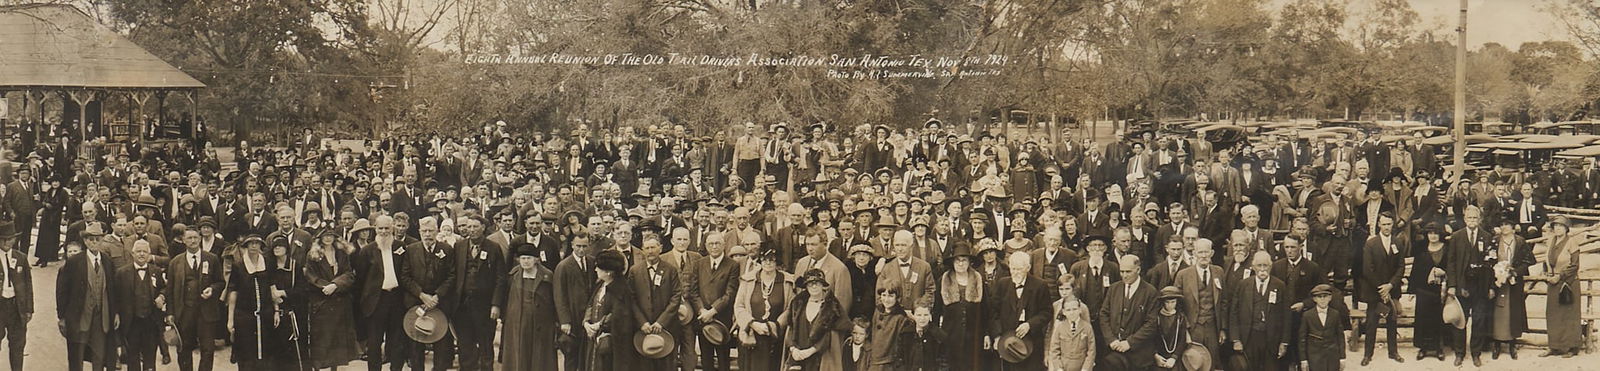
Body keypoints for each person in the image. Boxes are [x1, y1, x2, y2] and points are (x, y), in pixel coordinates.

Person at [447, 215, 506, 371]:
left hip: (485, 307)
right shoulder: (459, 247)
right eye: (469, 226)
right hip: (462, 306)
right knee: (465, 345)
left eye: (475, 227)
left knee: (486, 345)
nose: (471, 230)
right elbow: (453, 275)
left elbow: (501, 279)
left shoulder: (493, 248)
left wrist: (496, 304)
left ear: (483, 228)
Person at [398, 216, 456, 370]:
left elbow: (452, 276)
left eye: (431, 231)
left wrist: (437, 296)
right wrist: (422, 295)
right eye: (424, 231)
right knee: (416, 344)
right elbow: (405, 276)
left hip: (440, 303)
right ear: (419, 232)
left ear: (437, 231)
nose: (428, 234)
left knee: (441, 344)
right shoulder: (411, 250)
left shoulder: (447, 249)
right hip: (417, 303)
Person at [59, 224, 118, 371]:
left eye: (97, 239)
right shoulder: (74, 262)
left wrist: (115, 312)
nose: (94, 242)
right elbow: (62, 292)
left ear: (102, 240)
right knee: (76, 357)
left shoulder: (107, 262)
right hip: (79, 316)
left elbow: (112, 290)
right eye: (90, 239)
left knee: (99, 355)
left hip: (101, 317)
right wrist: (62, 317)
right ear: (85, 241)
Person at [353, 216, 408, 371]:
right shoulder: (367, 251)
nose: (384, 232)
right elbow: (360, 281)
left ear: (392, 229)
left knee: (397, 341)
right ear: (375, 229)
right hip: (376, 302)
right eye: (380, 228)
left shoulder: (401, 247)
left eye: (387, 228)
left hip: (397, 300)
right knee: (374, 342)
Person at [302, 229, 362, 369]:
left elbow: (349, 273)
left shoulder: (341, 253)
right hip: (321, 301)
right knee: (322, 339)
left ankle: (334, 367)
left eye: (331, 236)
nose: (328, 238)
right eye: (325, 236)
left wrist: (336, 285)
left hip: (340, 301)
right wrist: (326, 287)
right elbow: (310, 276)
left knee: (338, 341)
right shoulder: (313, 255)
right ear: (320, 238)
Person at [495, 241, 558, 371]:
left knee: (539, 356)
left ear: (536, 259)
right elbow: (506, 297)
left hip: (542, 323)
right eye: (523, 258)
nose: (526, 261)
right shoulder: (513, 275)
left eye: (529, 258)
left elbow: (554, 299)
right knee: (518, 354)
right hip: (518, 322)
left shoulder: (547, 276)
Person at [168, 228, 223, 371]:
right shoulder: (175, 262)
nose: (193, 241)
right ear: (183, 240)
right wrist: (170, 313)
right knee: (184, 348)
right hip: (185, 311)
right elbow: (170, 290)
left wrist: (213, 289)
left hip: (206, 312)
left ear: (200, 239)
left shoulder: (212, 259)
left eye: (195, 238)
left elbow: (221, 282)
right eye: (189, 238)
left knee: (207, 349)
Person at [1228, 251, 1289, 371]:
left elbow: (1287, 316)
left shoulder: (1280, 286)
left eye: (1265, 266)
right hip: (1249, 338)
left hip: (1271, 340)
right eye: (1259, 266)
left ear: (1270, 267)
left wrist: (1284, 342)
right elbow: (1234, 313)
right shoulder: (1243, 285)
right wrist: (1236, 339)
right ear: (1253, 267)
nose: (1262, 269)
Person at [689, 232, 741, 371]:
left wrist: (712, 311)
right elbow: (693, 292)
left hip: (722, 319)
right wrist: (702, 311)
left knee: (723, 360)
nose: (714, 247)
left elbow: (730, 294)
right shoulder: (699, 264)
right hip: (702, 319)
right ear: (705, 246)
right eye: (711, 244)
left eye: (717, 243)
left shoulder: (733, 265)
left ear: (724, 245)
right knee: (706, 360)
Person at [734, 248, 793, 371]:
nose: (768, 263)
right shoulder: (748, 279)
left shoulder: (787, 282)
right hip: (751, 336)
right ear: (760, 261)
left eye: (772, 260)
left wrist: (774, 326)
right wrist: (752, 323)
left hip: (775, 338)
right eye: (765, 260)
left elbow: (790, 308)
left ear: (777, 262)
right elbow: (739, 306)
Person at [628, 235, 681, 369]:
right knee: (644, 365)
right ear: (642, 250)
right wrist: (642, 322)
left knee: (666, 365)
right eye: (647, 248)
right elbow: (631, 299)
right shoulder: (635, 270)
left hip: (665, 328)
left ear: (660, 248)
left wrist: (661, 322)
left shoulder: (670, 270)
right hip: (643, 329)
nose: (650, 251)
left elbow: (676, 297)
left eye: (653, 247)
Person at [229, 236, 281, 370]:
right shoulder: (238, 265)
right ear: (246, 246)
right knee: (246, 352)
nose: (254, 246)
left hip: (266, 314)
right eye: (250, 243)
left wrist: (276, 310)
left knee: (267, 352)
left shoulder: (268, 263)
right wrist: (230, 320)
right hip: (244, 316)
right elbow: (233, 292)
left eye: (257, 243)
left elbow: (272, 288)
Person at [994, 251, 1051, 371]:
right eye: (1013, 268)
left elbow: (1047, 312)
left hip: (1031, 342)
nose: (1015, 272)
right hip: (1007, 343)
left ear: (1028, 268)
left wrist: (1030, 324)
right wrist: (997, 335)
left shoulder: (1040, 285)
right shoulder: (1002, 284)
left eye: (1019, 269)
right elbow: (994, 312)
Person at [1098, 254, 1156, 371]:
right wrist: (1111, 339)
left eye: (1128, 272)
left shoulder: (1150, 292)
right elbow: (1104, 314)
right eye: (1122, 272)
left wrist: (1130, 342)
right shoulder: (1114, 288)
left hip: (1139, 356)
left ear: (1138, 270)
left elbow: (1151, 323)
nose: (1124, 275)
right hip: (1114, 353)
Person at [115, 240, 166, 371]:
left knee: (150, 358)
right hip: (131, 322)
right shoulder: (122, 273)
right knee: (132, 358)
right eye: (138, 251)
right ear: (132, 253)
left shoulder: (156, 271)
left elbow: (164, 288)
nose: (142, 254)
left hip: (151, 321)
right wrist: (116, 315)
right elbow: (116, 296)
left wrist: (162, 296)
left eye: (145, 251)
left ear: (149, 254)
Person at [584, 249, 639, 370]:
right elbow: (590, 304)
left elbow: (619, 314)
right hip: (594, 337)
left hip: (612, 341)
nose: (595, 270)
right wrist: (586, 323)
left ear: (608, 271)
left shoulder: (621, 289)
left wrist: (599, 325)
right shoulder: (600, 284)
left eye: (598, 267)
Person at [1172, 238, 1222, 369]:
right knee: (1193, 364)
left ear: (1212, 253)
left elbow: (1224, 302)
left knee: (1212, 363)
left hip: (1213, 327)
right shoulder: (1183, 275)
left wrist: (1223, 329)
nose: (1204, 256)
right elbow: (1177, 305)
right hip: (1193, 327)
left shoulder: (1219, 272)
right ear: (1194, 253)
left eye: (1206, 252)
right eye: (1200, 252)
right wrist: (1186, 329)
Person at [1542, 216, 1588, 357]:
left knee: (1568, 314)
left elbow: (1574, 265)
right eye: (1555, 226)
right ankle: (1554, 346)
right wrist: (1547, 274)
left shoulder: (1572, 242)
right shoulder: (1551, 241)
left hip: (1568, 283)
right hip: (1553, 283)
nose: (1557, 229)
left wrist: (1560, 276)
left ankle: (1571, 347)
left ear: (1567, 228)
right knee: (1553, 314)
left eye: (1561, 226)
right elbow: (1547, 260)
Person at [784, 269, 845, 371]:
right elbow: (791, 328)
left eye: (817, 283)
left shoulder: (831, 307)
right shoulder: (798, 304)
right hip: (797, 356)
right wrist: (793, 349)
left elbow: (829, 336)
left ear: (822, 285)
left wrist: (810, 351)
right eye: (810, 284)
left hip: (820, 358)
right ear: (806, 287)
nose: (814, 286)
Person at [939, 242, 985, 370]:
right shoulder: (944, 280)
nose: (961, 264)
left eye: (964, 260)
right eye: (957, 260)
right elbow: (936, 309)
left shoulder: (977, 279)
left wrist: (986, 334)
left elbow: (985, 309)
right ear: (953, 262)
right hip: (950, 333)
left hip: (974, 333)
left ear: (969, 262)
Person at [1408, 223, 1449, 360]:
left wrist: (1444, 272)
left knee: (1438, 319)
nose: (1433, 236)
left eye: (1436, 233)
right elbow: (1415, 270)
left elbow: (1452, 267)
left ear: (1440, 234)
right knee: (1423, 320)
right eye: (1430, 233)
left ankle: (1439, 348)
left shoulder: (1446, 249)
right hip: (1424, 290)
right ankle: (1423, 347)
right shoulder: (1421, 249)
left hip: (1441, 291)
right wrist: (1412, 291)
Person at [1043, 273, 1094, 371]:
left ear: (1073, 289)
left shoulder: (1082, 308)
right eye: (1061, 289)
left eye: (1067, 289)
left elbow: (1087, 333)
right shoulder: (1055, 305)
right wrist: (1047, 352)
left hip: (1076, 354)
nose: (1064, 292)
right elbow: (1050, 331)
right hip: (1057, 354)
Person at [0, 221, 32, 370]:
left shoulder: (21, 258)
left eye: (10, 238)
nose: (7, 242)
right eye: (3, 239)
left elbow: (28, 285)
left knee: (18, 345)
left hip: (16, 308)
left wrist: (28, 309)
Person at [1298, 284, 1348, 371]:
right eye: (1319, 297)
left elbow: (1340, 337)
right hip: (1314, 357)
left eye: (1325, 296)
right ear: (1314, 299)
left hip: (1332, 356)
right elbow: (1302, 339)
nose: (1322, 299)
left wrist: (1342, 357)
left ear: (1330, 298)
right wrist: (1303, 359)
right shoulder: (1307, 315)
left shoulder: (1335, 314)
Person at [865, 284, 911, 371]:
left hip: (889, 362)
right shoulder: (878, 310)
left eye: (890, 296)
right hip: (874, 358)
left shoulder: (900, 318)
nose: (886, 299)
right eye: (884, 295)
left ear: (897, 298)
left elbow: (900, 344)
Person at [1152, 286, 1187, 370]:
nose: (1170, 305)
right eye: (1167, 302)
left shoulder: (1180, 317)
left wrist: (1174, 358)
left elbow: (1182, 340)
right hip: (1158, 356)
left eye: (1173, 302)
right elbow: (1150, 339)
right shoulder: (1156, 317)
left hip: (1175, 357)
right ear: (1163, 302)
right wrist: (1155, 355)